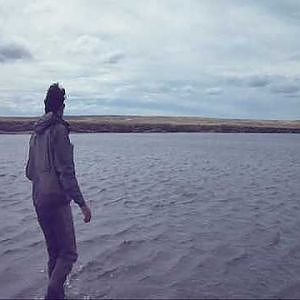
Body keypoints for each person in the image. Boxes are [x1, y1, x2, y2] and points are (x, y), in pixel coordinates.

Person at [25, 83, 92, 299]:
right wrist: (82, 204)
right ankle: (52, 294)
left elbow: (29, 172)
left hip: (38, 199)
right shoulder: (59, 130)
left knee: (54, 253)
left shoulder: (36, 134)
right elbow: (66, 172)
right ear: (61, 107)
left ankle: (56, 296)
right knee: (69, 253)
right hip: (56, 200)